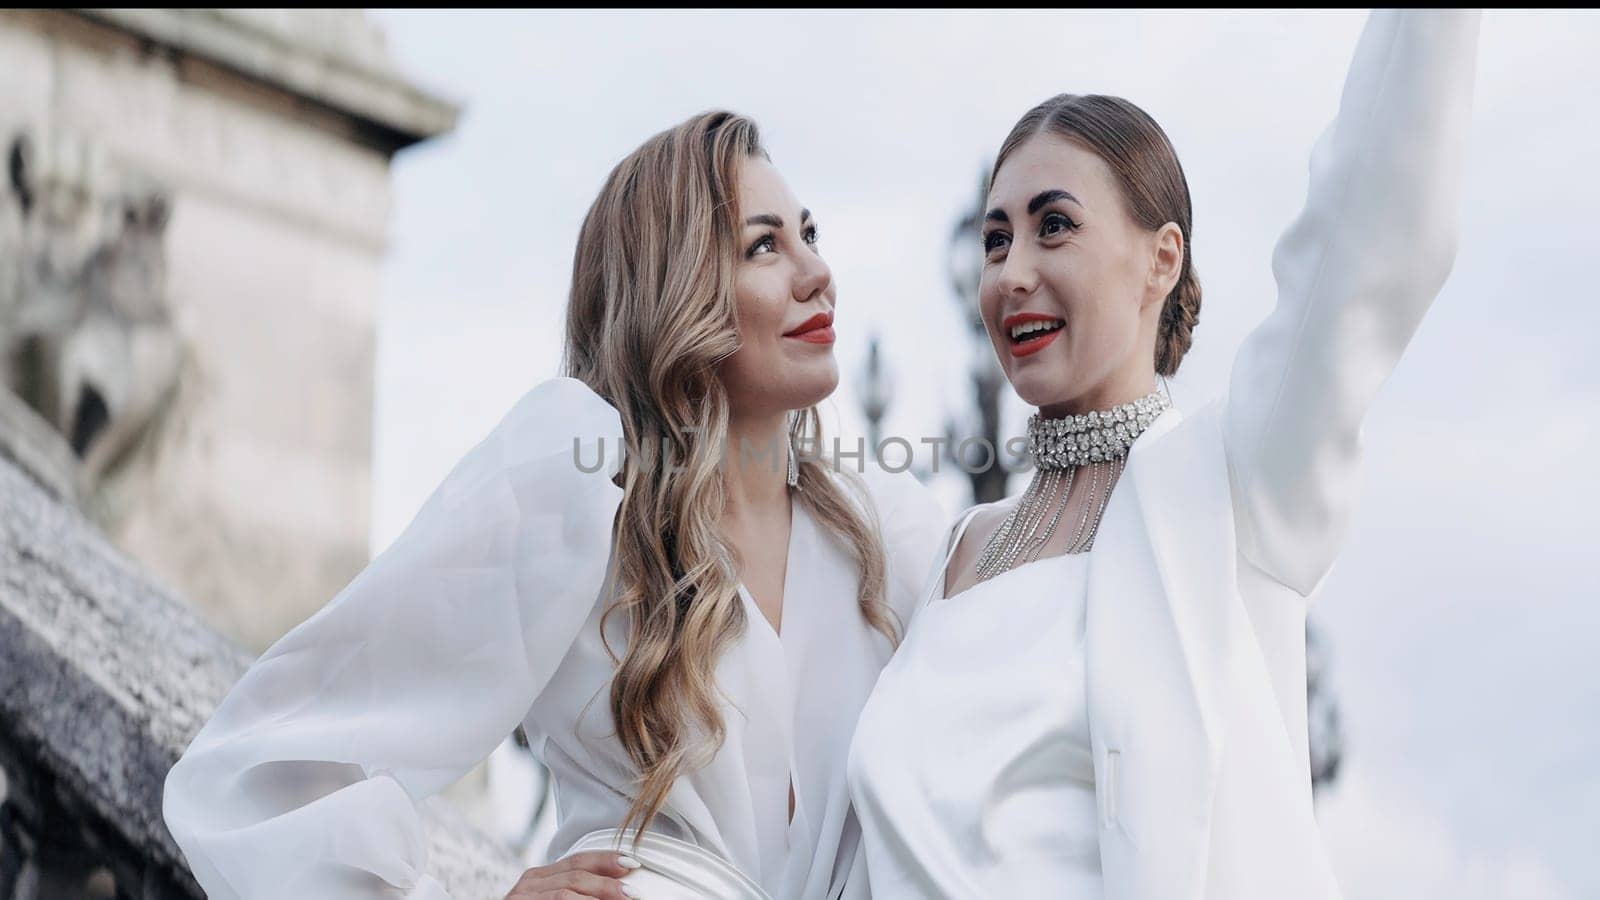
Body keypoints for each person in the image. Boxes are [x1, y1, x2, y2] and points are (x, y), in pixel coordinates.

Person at [163, 110, 946, 900]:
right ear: (678, 291)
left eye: (810, 234)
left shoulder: (884, 532)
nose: (817, 272)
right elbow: (255, 769)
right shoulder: (579, 486)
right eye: (765, 246)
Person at [846, 9, 1481, 899]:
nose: (1011, 272)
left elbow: (1373, 232)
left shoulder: (1229, 486)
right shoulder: (947, 554)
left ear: (1162, 259)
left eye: (1053, 225)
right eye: (995, 239)